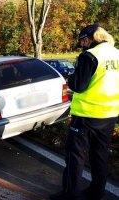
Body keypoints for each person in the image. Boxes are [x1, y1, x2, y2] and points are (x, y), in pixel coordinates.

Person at [50, 24, 119, 200]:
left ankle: (70, 194)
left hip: (86, 116)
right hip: (109, 114)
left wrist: (71, 77)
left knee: (75, 156)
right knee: (100, 156)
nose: (82, 44)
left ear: (90, 38)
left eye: (83, 40)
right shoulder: (116, 54)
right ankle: (97, 193)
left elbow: (78, 86)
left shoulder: (89, 56)